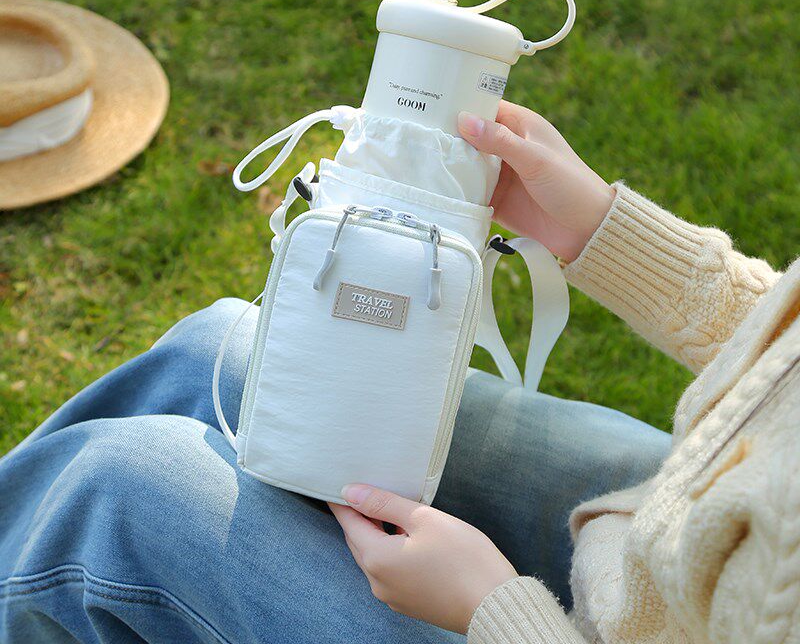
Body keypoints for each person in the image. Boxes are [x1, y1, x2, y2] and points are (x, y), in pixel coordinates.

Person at [1, 101, 797, 643]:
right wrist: (603, 229)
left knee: (116, 492)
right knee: (221, 349)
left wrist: (496, 610)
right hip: (689, 513)